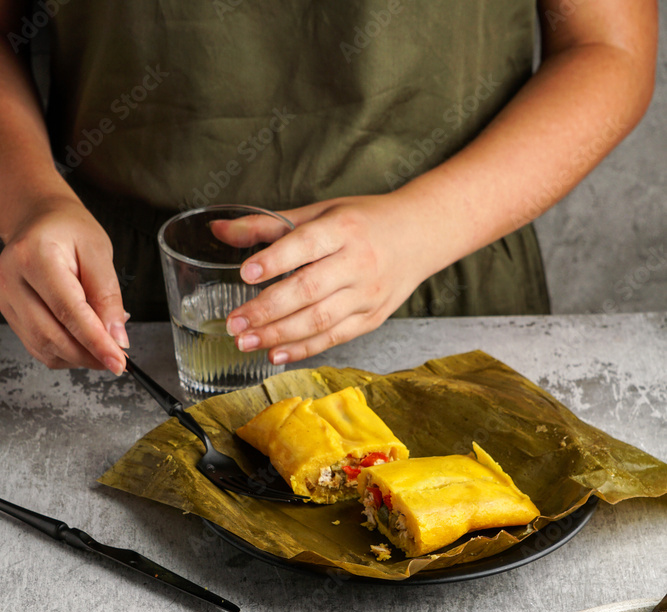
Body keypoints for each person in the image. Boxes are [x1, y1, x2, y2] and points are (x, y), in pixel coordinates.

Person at [0, 1, 657, 376]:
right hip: (114, 314)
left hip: (447, 293)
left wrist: (422, 226)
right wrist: (32, 199)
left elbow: (607, 49)